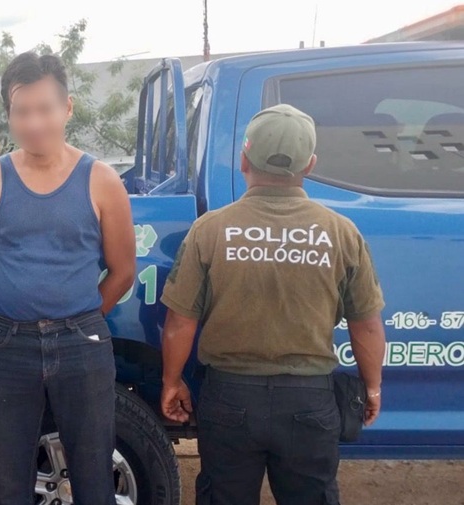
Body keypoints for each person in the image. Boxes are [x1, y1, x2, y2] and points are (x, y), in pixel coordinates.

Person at [159, 104, 387, 505]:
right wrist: (372, 386)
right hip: (309, 402)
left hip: (229, 399)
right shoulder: (341, 232)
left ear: (244, 160)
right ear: (310, 164)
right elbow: (366, 325)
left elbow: (180, 321)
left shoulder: (210, 229)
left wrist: (171, 382)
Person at [0, 52, 136, 504]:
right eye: (21, 111)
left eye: (44, 109)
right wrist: (17, 317)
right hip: (7, 347)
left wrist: (78, 318)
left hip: (82, 345)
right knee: (7, 481)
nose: (34, 123)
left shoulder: (102, 181)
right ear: (9, 113)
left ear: (68, 108)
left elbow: (122, 271)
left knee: (94, 476)